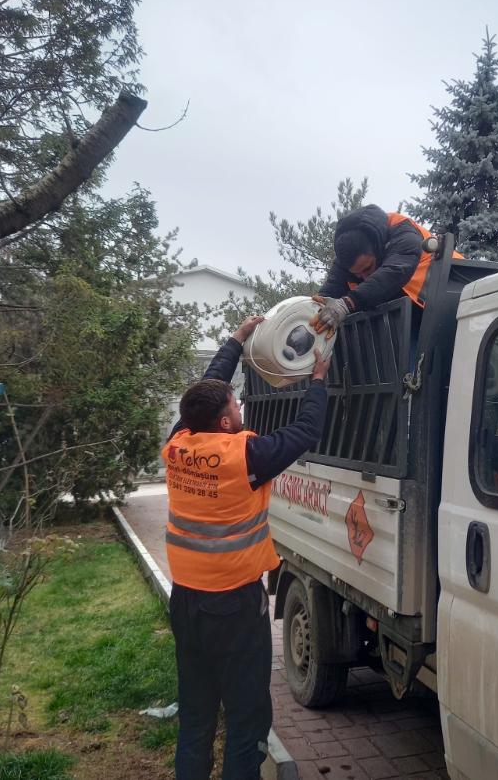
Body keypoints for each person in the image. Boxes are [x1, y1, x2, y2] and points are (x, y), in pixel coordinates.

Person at [162, 315, 331, 780]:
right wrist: (318, 380)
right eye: (236, 405)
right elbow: (306, 431)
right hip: (234, 607)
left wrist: (236, 340)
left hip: (186, 602)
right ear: (225, 420)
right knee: (246, 714)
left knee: (196, 710)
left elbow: (207, 388)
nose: (240, 409)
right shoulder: (246, 458)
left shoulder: (177, 444)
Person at [310, 204, 463, 336]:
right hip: (410, 320)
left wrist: (348, 303)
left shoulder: (402, 230)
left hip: (455, 300)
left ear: (378, 247)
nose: (364, 277)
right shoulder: (345, 260)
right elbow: (326, 296)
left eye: (367, 268)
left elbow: (394, 272)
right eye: (357, 274)